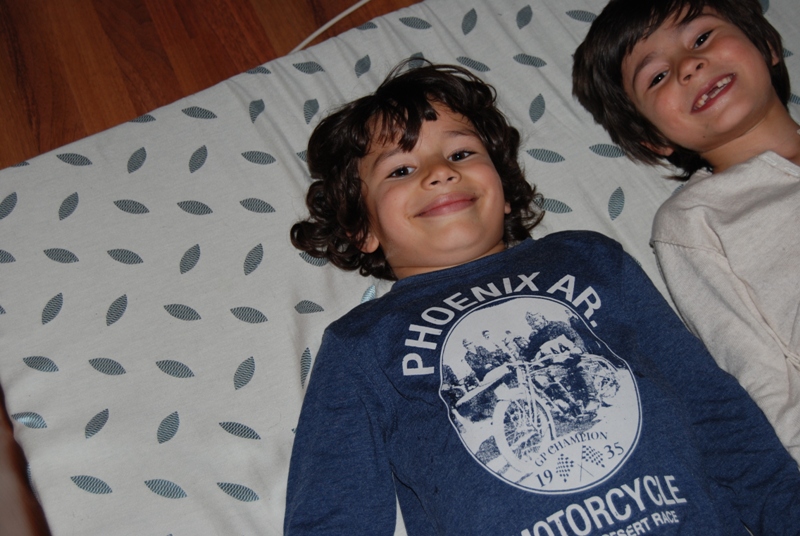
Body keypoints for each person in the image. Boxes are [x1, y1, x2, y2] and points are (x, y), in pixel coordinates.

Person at [285, 60, 800, 535]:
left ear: (505, 190)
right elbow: (333, 510)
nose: (440, 171)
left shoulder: (589, 258)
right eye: (400, 170)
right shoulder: (361, 342)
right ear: (363, 229)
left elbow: (711, 405)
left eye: (461, 153)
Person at [572, 0, 800, 466]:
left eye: (702, 38)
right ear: (653, 138)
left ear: (766, 44)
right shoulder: (693, 220)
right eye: (656, 77)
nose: (689, 65)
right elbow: (761, 376)